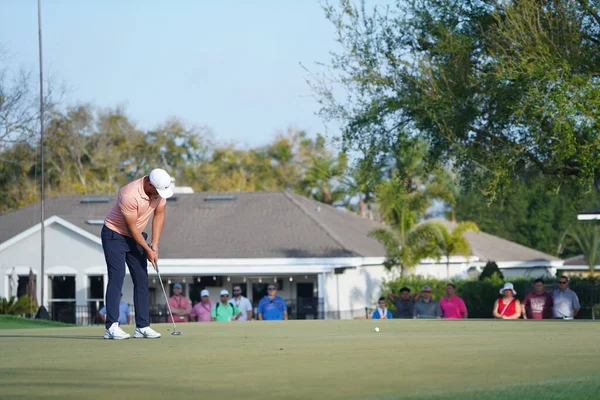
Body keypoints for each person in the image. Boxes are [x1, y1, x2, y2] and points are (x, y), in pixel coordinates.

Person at [101, 168, 173, 340]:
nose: (159, 195)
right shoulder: (129, 194)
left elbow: (159, 215)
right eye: (157, 191)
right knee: (117, 278)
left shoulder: (158, 193)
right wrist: (147, 250)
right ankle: (111, 326)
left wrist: (154, 245)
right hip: (114, 235)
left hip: (136, 236)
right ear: (149, 185)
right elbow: (131, 227)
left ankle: (142, 326)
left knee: (141, 279)